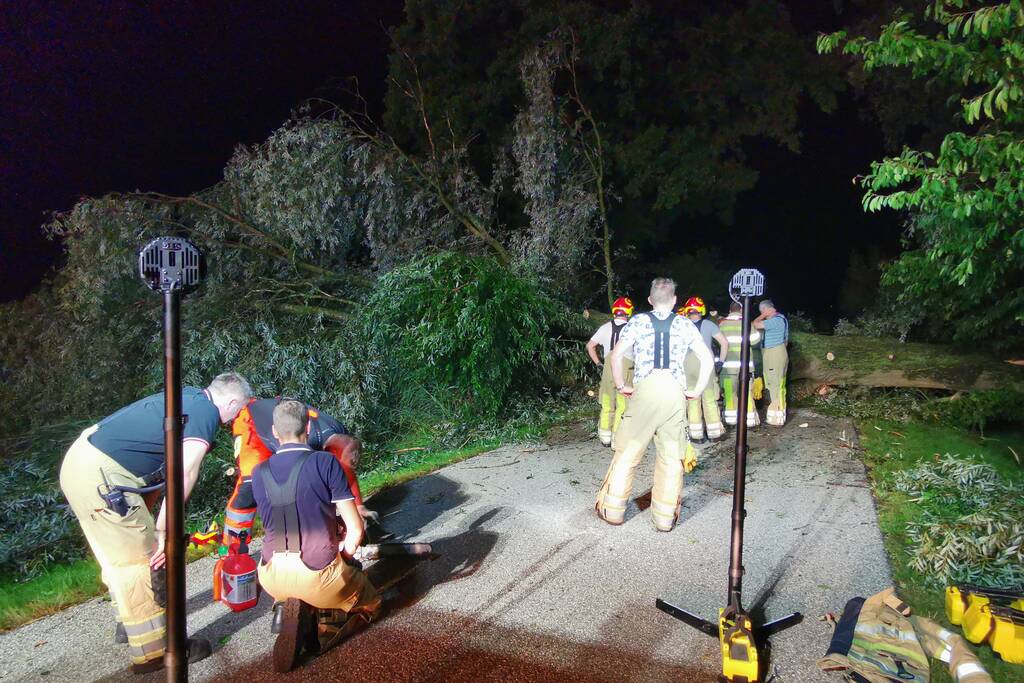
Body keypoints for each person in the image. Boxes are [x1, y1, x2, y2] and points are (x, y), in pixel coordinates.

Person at [59, 372, 253, 673]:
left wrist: (152, 522)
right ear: (230, 401)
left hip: (84, 464)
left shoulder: (189, 397)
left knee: (119, 554)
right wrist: (164, 532)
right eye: (236, 411)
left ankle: (129, 622)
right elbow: (184, 472)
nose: (232, 420)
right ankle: (156, 650)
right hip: (103, 477)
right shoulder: (206, 413)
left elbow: (151, 474)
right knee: (141, 560)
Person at [252, 400, 381, 667]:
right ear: (309, 427)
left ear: (275, 432)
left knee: (304, 576)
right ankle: (325, 634)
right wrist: (344, 558)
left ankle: (285, 605)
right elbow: (355, 530)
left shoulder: (259, 471)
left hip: (270, 576)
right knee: (372, 603)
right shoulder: (324, 462)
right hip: (317, 577)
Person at [595, 277, 714, 531]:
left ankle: (613, 510)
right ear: (674, 301)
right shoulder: (684, 324)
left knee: (628, 452)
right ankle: (664, 518)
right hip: (674, 391)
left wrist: (621, 385)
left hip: (645, 389)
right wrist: (696, 390)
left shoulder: (637, 321)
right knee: (672, 457)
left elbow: (616, 356)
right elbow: (707, 358)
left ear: (649, 300)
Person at [224, 397, 371, 545]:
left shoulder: (341, 434)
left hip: (282, 427)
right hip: (251, 425)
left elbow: (346, 474)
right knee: (248, 487)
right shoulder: (309, 443)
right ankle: (232, 550)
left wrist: (358, 506)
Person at [586, 296, 635, 446]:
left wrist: (598, 363)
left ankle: (605, 437)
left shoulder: (605, 327)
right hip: (626, 368)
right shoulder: (633, 328)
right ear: (629, 311)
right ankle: (617, 438)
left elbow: (590, 346)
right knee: (623, 404)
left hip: (608, 367)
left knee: (607, 403)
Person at [679, 296, 728, 442]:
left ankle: (696, 435)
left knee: (693, 398)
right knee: (709, 398)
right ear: (702, 310)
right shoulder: (708, 324)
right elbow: (724, 343)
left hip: (687, 364)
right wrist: (720, 362)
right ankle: (714, 434)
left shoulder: (681, 325)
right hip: (705, 362)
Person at [718, 301, 762, 428]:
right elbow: (755, 341)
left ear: (730, 310)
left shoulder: (722, 324)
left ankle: (731, 421)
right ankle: (749, 421)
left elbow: (717, 343)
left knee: (729, 394)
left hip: (728, 368)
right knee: (747, 393)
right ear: (742, 310)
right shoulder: (746, 323)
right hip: (745, 367)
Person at [753, 299, 789, 426]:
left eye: (761, 311)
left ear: (766, 309)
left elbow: (755, 324)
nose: (761, 314)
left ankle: (776, 418)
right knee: (778, 384)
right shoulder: (781, 319)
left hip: (774, 353)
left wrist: (763, 315)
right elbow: (786, 341)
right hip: (778, 351)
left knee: (774, 384)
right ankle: (780, 415)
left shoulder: (776, 320)